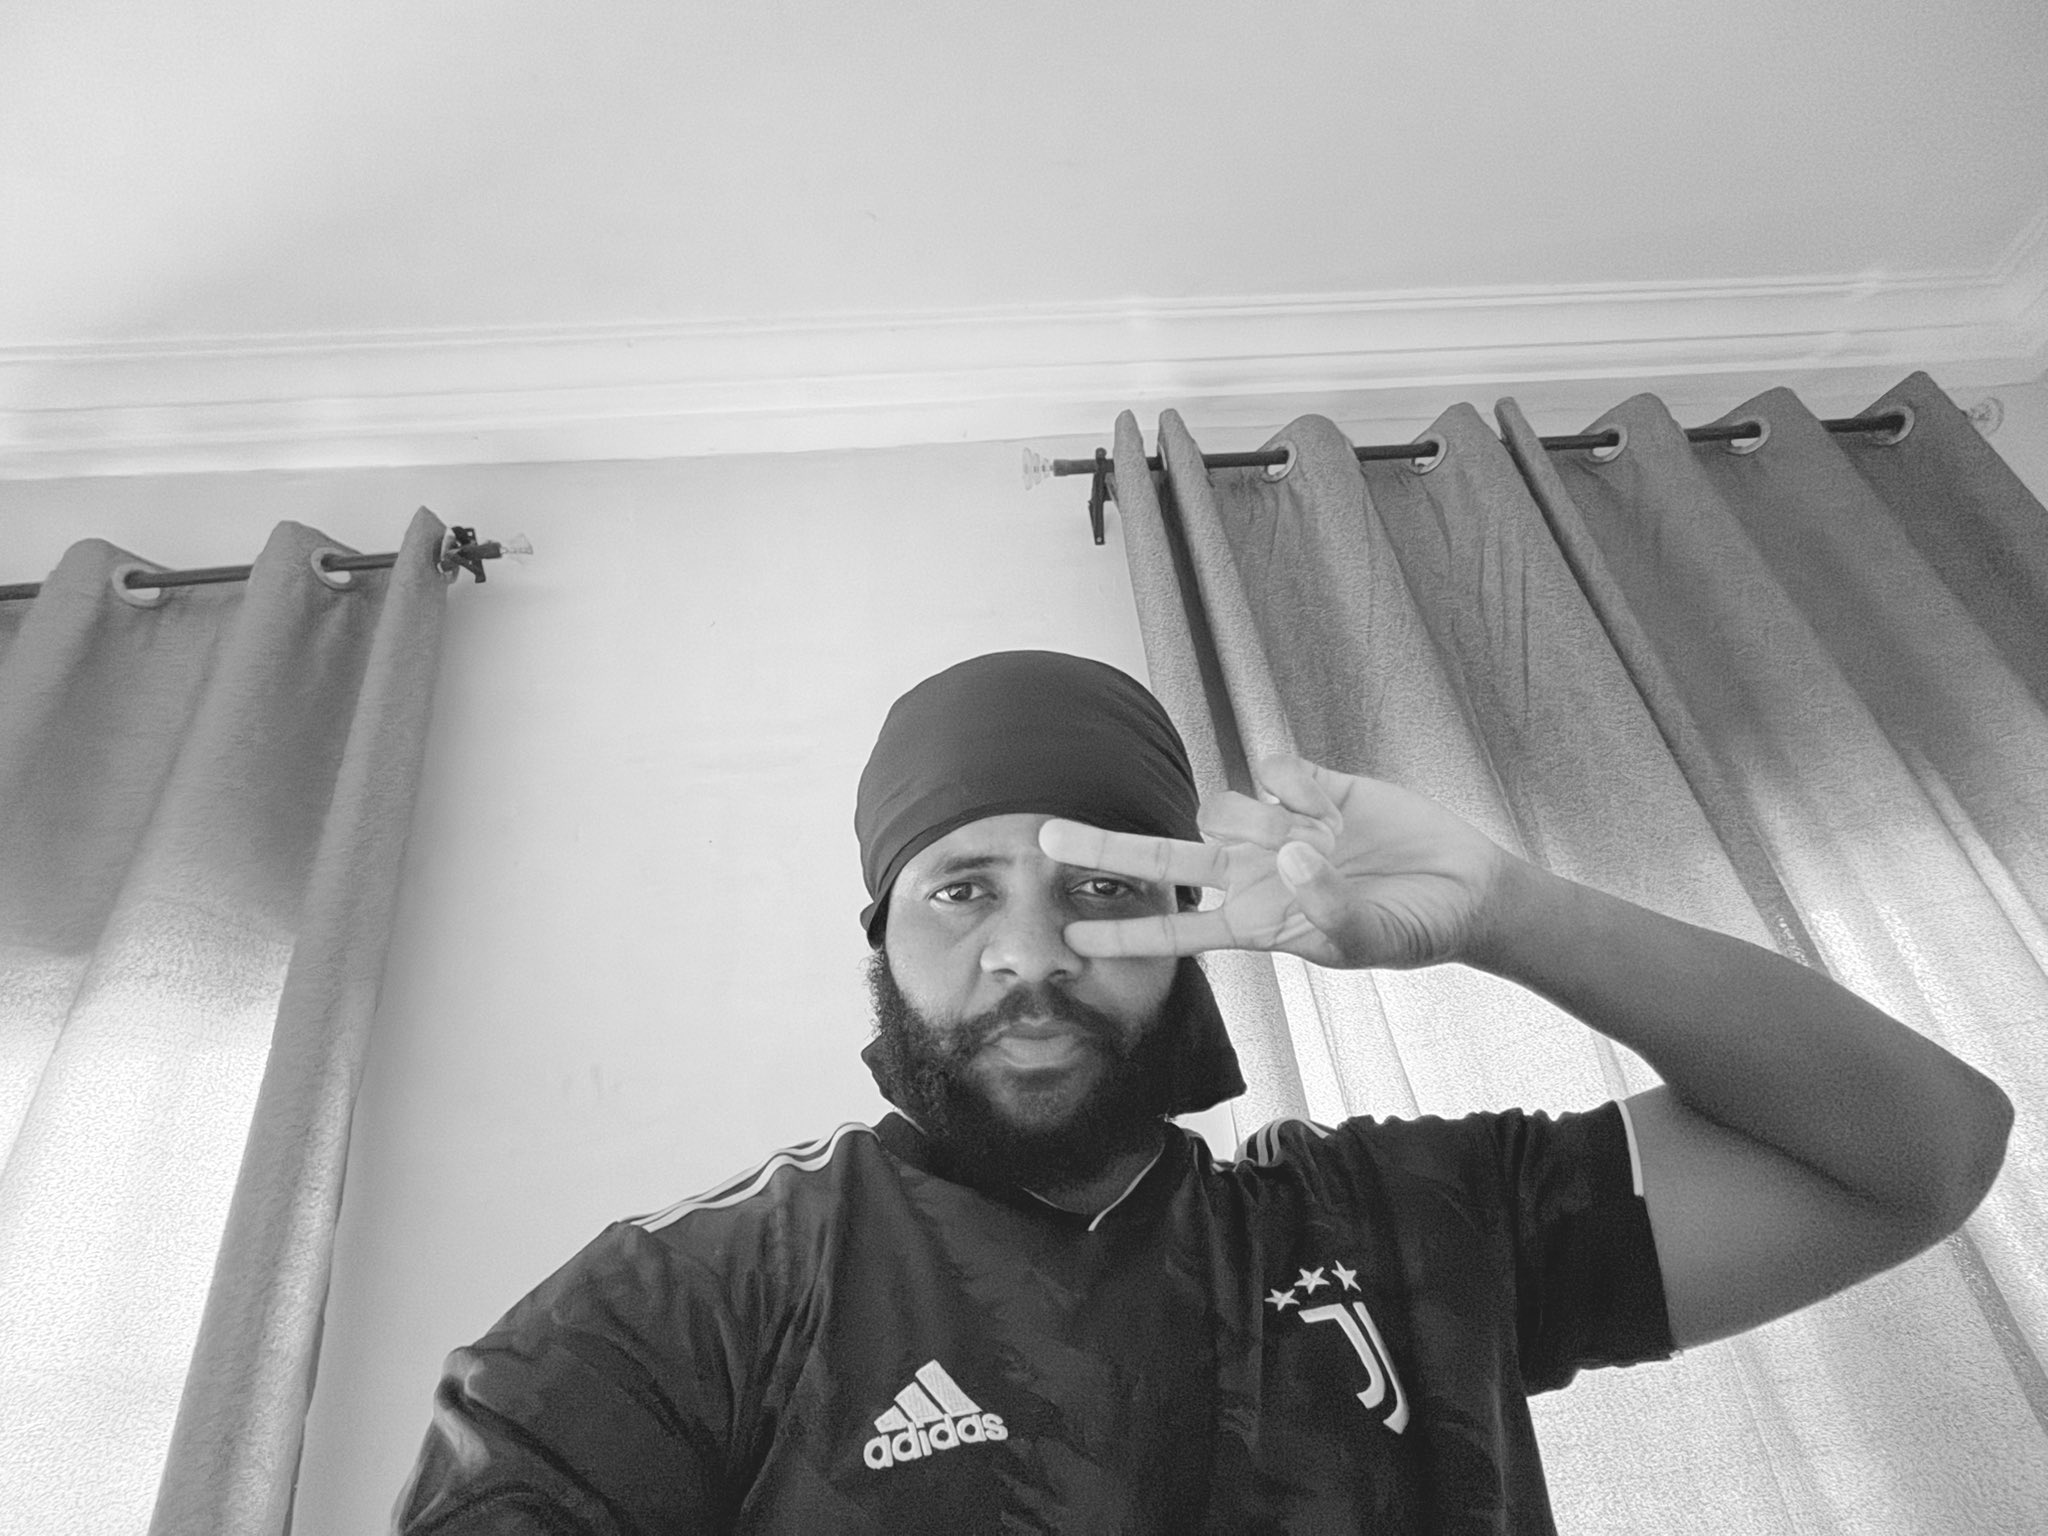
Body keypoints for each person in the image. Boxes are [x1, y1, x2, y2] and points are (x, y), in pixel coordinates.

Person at [394, 649, 2012, 1533]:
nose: (1034, 954)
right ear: (877, 938)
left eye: (1103, 892)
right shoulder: (696, 1294)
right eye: (962, 890)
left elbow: (1921, 1154)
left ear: (1194, 930)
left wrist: (1515, 912)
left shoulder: (1416, 1228)